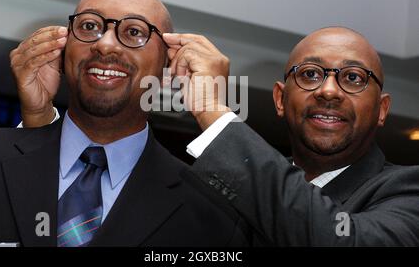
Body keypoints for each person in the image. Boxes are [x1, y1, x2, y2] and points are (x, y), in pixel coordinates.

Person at [0, 0, 249, 247]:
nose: (105, 45)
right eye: (90, 26)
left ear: (167, 70)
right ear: (63, 51)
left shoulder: (211, 213)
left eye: (134, 32)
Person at [166, 27, 419, 246]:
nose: (328, 91)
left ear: (382, 110)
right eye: (310, 74)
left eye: (353, 77)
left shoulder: (407, 191)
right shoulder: (217, 184)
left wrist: (210, 109)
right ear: (280, 100)